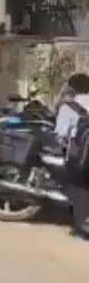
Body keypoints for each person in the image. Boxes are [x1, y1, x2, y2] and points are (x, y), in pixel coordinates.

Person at [54, 73, 89, 240]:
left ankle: (81, 229)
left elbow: (60, 134)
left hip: (78, 156)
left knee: (80, 189)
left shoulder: (68, 107)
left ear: (72, 88)